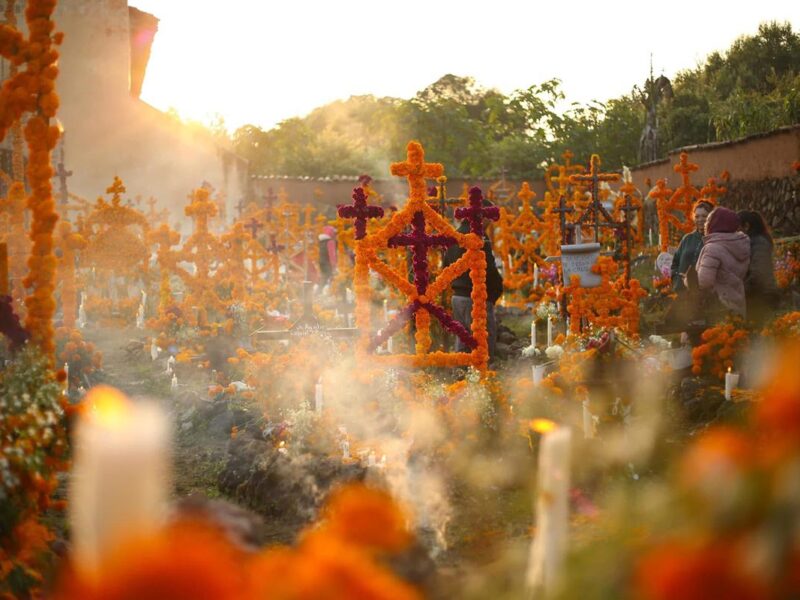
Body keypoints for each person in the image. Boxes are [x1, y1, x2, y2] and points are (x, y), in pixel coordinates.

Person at [443, 218, 504, 359]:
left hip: (457, 297)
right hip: (477, 297)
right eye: (489, 219)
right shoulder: (479, 237)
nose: (490, 223)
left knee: (463, 339)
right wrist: (496, 290)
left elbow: (446, 266)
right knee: (483, 341)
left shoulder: (455, 236)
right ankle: (483, 377)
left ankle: (461, 374)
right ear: (482, 216)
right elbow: (488, 268)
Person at [696, 206, 750, 317]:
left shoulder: (712, 248)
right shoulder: (741, 245)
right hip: (737, 301)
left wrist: (687, 279)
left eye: (708, 220)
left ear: (713, 224)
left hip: (717, 308)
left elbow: (704, 281)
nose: (705, 224)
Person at [738, 210, 779, 325]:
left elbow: (758, 273)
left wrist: (741, 291)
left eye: (737, 228)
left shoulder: (758, 244)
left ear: (746, 226)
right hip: (759, 296)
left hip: (762, 297)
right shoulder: (754, 242)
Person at [670, 200, 713, 291]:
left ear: (710, 218)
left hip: (702, 294)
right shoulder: (687, 238)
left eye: (704, 216)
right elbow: (675, 263)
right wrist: (676, 279)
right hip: (681, 291)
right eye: (697, 216)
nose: (700, 219)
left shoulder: (714, 240)